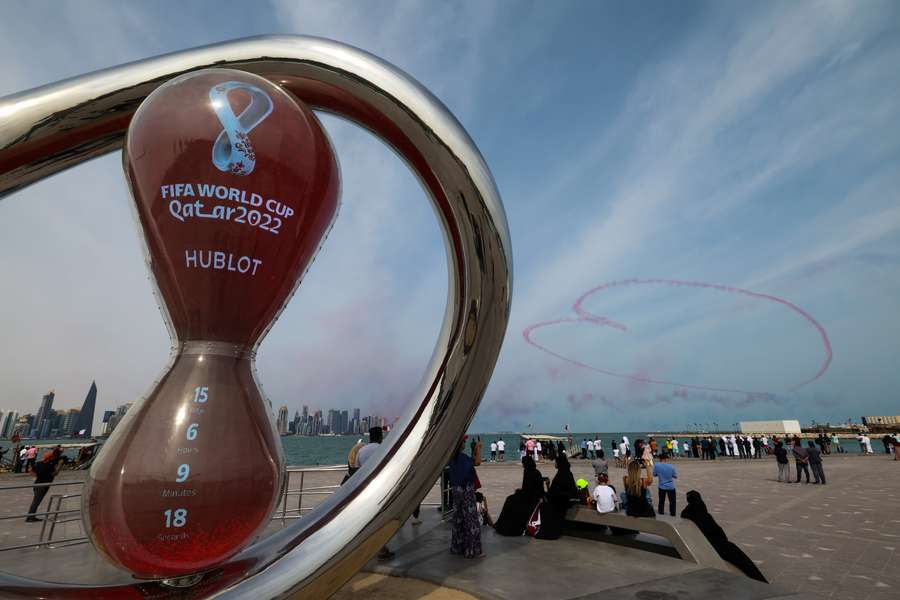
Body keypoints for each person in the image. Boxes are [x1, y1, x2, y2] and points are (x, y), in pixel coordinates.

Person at [680, 490, 767, 583]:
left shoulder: (688, 512)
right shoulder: (703, 512)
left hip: (709, 543)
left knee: (740, 559)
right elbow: (718, 531)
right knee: (742, 560)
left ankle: (759, 579)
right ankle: (760, 580)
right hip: (717, 544)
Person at [357, 427, 394, 559]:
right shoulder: (383, 448)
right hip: (380, 488)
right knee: (380, 518)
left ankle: (370, 546)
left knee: (368, 518)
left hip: (365, 489)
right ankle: (381, 549)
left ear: (370, 437)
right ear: (380, 437)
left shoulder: (361, 451)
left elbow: (358, 469)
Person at [494, 456, 546, 536]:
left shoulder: (527, 471)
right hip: (532, 495)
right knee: (510, 499)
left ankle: (502, 524)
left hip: (531, 497)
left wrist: (519, 492)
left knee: (510, 500)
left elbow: (527, 489)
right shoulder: (535, 471)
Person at [447, 439, 482, 558]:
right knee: (470, 519)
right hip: (466, 490)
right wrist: (478, 448)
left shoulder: (453, 458)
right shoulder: (463, 458)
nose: (465, 444)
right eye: (463, 442)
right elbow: (477, 462)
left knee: (458, 519)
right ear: (460, 445)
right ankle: (471, 550)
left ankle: (457, 547)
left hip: (456, 490)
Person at [26, 452, 60, 522]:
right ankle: (30, 517)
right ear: (50, 458)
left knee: (36, 501)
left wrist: (36, 476)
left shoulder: (39, 463)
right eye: (52, 457)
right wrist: (59, 465)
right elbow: (55, 473)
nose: (53, 458)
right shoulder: (49, 465)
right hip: (43, 485)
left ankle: (31, 516)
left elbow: (30, 470)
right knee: (36, 502)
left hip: (37, 484)